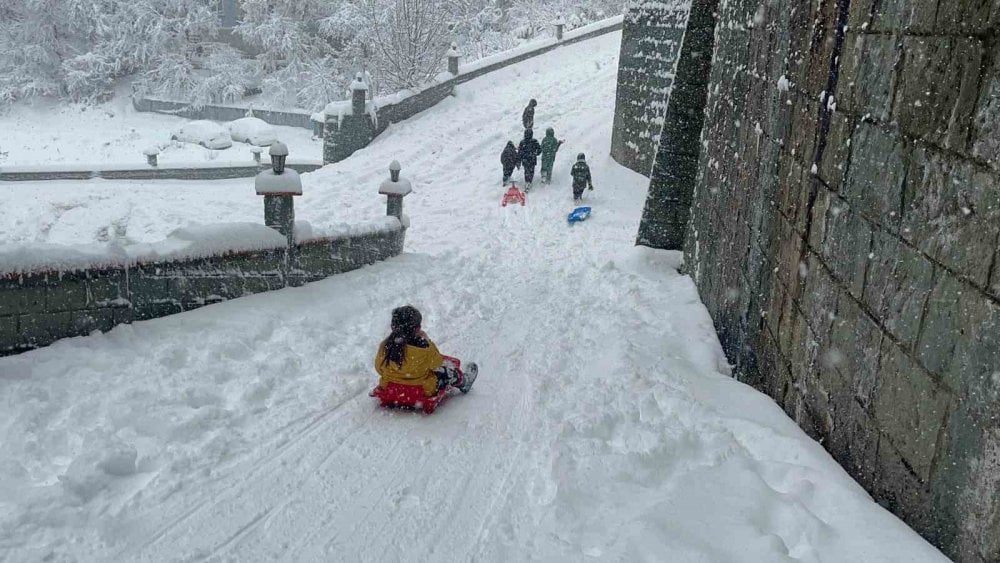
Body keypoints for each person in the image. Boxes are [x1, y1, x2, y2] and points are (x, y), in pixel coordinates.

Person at [374, 305, 467, 396]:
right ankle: (463, 381)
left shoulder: (385, 345)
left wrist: (398, 375)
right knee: (447, 372)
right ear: (417, 328)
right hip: (422, 389)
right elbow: (438, 363)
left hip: (390, 387)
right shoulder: (424, 349)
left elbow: (379, 368)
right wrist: (427, 340)